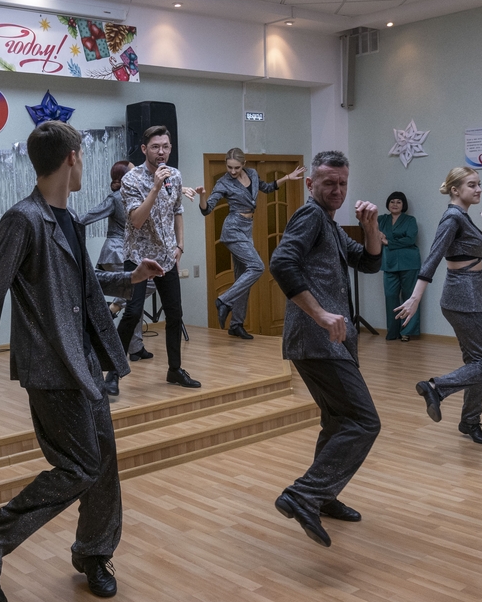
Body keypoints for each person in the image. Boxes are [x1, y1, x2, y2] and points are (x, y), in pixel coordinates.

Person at [0, 121, 163, 602]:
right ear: (72, 157)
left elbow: (81, 283)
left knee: (103, 465)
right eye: (82, 157)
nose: (83, 164)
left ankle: (94, 554)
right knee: (80, 466)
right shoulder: (23, 219)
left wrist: (129, 277)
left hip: (83, 363)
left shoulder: (66, 218)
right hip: (49, 367)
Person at [269, 150, 383, 548]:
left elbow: (368, 263)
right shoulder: (310, 216)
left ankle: (323, 495)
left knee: (338, 421)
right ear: (310, 184)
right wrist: (319, 314)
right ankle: (304, 495)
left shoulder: (329, 224)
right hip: (316, 340)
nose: (337, 190)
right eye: (329, 183)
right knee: (364, 421)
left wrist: (370, 227)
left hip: (327, 342)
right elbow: (281, 263)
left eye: (342, 183)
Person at [396, 167, 482, 446]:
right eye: (472, 185)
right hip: (463, 298)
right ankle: (435, 387)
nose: (479, 189)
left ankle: (470, 421)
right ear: (455, 189)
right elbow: (433, 257)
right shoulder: (453, 218)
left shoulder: (464, 217)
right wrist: (415, 297)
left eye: (479, 184)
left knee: (477, 363)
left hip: (470, 296)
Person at [110, 125, 201, 394]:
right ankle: (113, 373)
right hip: (138, 257)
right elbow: (137, 220)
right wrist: (155, 187)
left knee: (175, 314)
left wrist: (180, 245)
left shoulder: (175, 175)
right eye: (155, 147)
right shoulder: (131, 179)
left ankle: (175, 370)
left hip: (166, 256)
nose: (161, 152)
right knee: (132, 313)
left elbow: (177, 211)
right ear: (144, 149)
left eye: (165, 147)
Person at [196, 148, 304, 339]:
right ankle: (224, 301)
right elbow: (207, 210)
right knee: (257, 267)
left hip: (247, 229)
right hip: (233, 229)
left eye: (236, 167)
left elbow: (267, 188)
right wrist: (202, 196)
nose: (232, 171)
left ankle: (236, 324)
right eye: (229, 167)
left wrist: (287, 177)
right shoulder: (223, 182)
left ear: (243, 164)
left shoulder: (252, 174)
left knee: (242, 278)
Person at [79, 160, 153, 362]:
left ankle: (136, 347)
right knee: (142, 288)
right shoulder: (115, 198)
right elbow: (86, 217)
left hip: (128, 252)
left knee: (135, 298)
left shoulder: (134, 195)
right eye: (133, 171)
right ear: (125, 177)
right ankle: (114, 308)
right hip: (116, 252)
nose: (138, 174)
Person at [377, 191, 421, 342]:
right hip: (389, 263)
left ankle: (407, 332)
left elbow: (410, 239)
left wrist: (388, 242)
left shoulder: (410, 220)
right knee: (390, 297)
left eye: (398, 202)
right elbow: (364, 224)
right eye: (392, 202)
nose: (395, 204)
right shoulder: (382, 219)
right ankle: (392, 332)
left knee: (409, 297)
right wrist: (377, 233)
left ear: (403, 205)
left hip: (409, 262)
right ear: (388, 204)